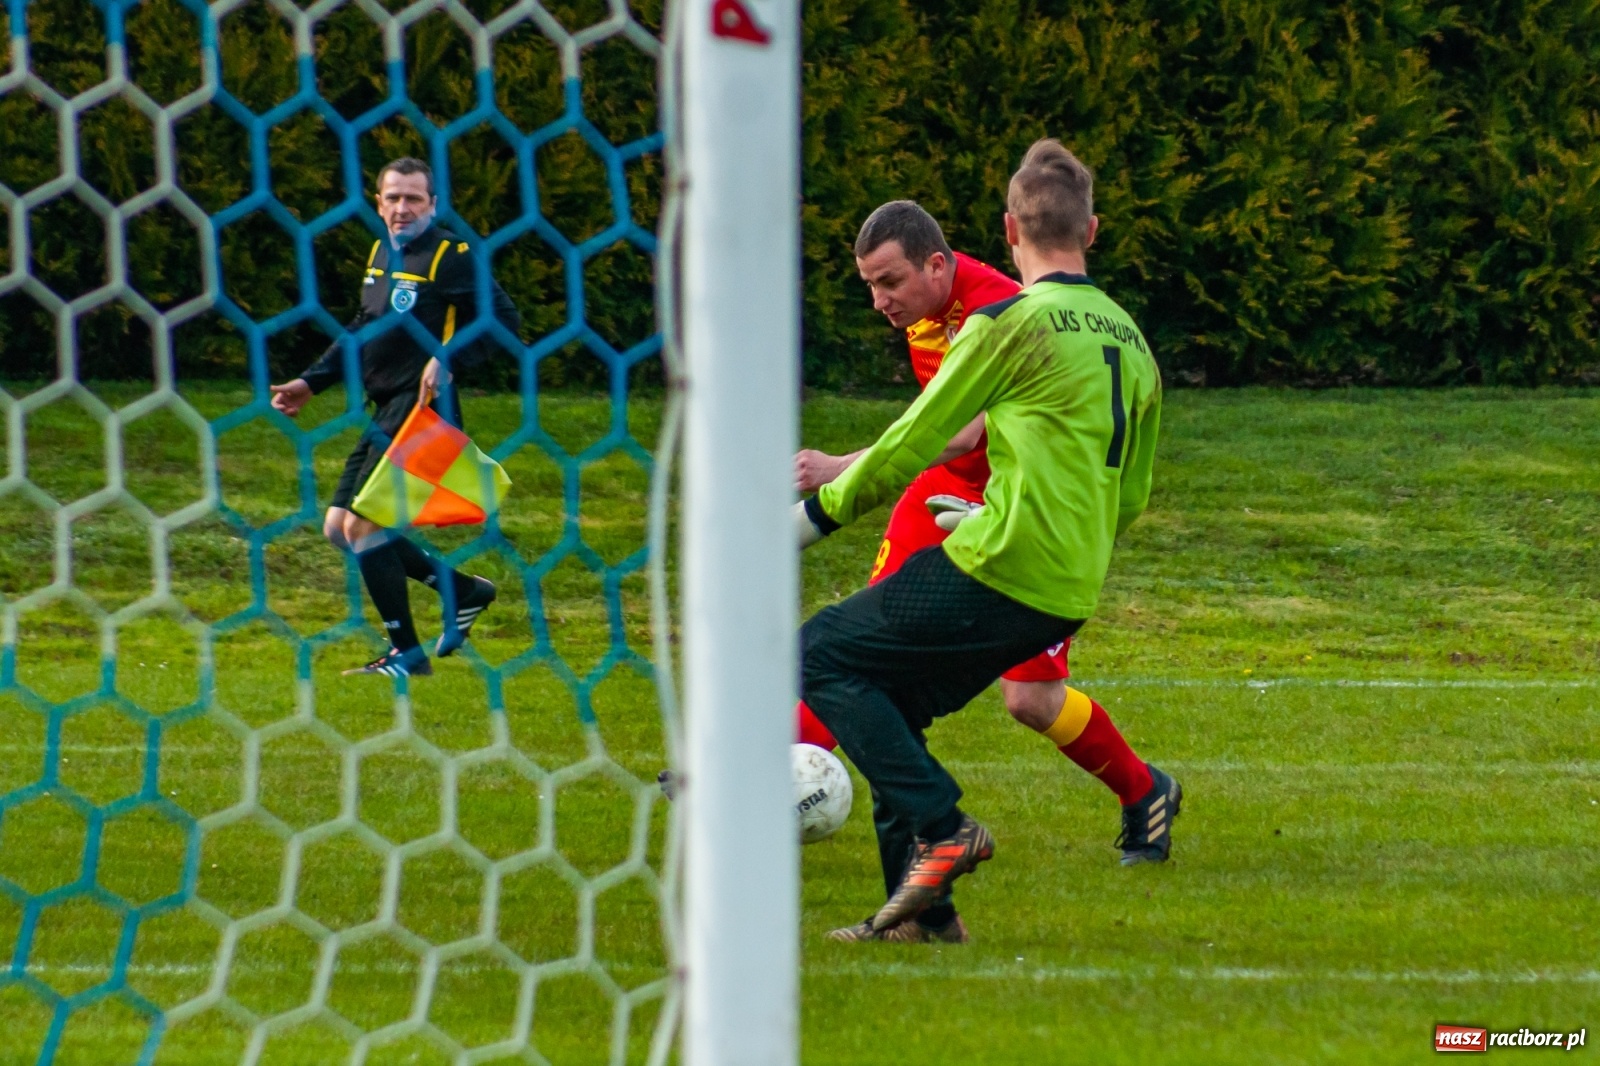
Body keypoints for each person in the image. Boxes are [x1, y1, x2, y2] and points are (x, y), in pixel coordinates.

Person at [796, 140, 1178, 943]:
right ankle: (926, 918)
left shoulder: (1007, 322)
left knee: (818, 653)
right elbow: (1132, 497)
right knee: (891, 696)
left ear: (1008, 229)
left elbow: (913, 441)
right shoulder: (1133, 342)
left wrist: (813, 518)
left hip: (1003, 563)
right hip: (1068, 587)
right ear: (1093, 229)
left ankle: (945, 826)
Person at [270, 157, 521, 678]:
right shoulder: (383, 250)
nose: (402, 207)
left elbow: (505, 324)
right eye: (393, 197)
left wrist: (448, 358)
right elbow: (364, 324)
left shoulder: (454, 255)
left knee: (364, 524)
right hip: (385, 404)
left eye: (413, 198)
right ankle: (462, 590)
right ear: (378, 202)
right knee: (339, 527)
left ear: (433, 204)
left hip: (423, 407)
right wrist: (310, 382)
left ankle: (406, 655)